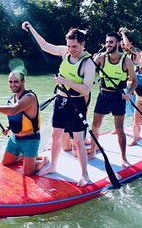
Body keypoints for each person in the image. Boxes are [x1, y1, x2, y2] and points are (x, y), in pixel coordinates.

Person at [22, 21, 96, 187]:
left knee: (78, 140)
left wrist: (65, 81)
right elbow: (45, 45)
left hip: (77, 102)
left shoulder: (88, 63)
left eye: (74, 46)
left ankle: (85, 175)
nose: (71, 49)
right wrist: (31, 28)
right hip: (60, 100)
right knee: (56, 136)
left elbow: (86, 89)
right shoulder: (65, 52)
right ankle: (53, 166)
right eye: (69, 45)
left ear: (83, 44)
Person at [0, 71, 48, 176]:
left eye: (16, 81)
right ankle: (24, 157)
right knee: (6, 163)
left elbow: (13, 110)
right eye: (10, 82)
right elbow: (16, 117)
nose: (13, 84)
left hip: (30, 139)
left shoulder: (29, 97)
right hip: (14, 139)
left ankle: (43, 160)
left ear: (23, 81)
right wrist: (8, 128)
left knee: (28, 172)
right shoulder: (12, 98)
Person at [90, 32, 138, 168]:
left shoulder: (126, 61)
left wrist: (129, 92)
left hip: (118, 96)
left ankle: (123, 158)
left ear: (117, 44)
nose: (107, 45)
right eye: (106, 42)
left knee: (119, 129)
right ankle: (93, 152)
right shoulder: (101, 58)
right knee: (95, 126)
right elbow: (87, 73)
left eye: (111, 42)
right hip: (103, 95)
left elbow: (134, 81)